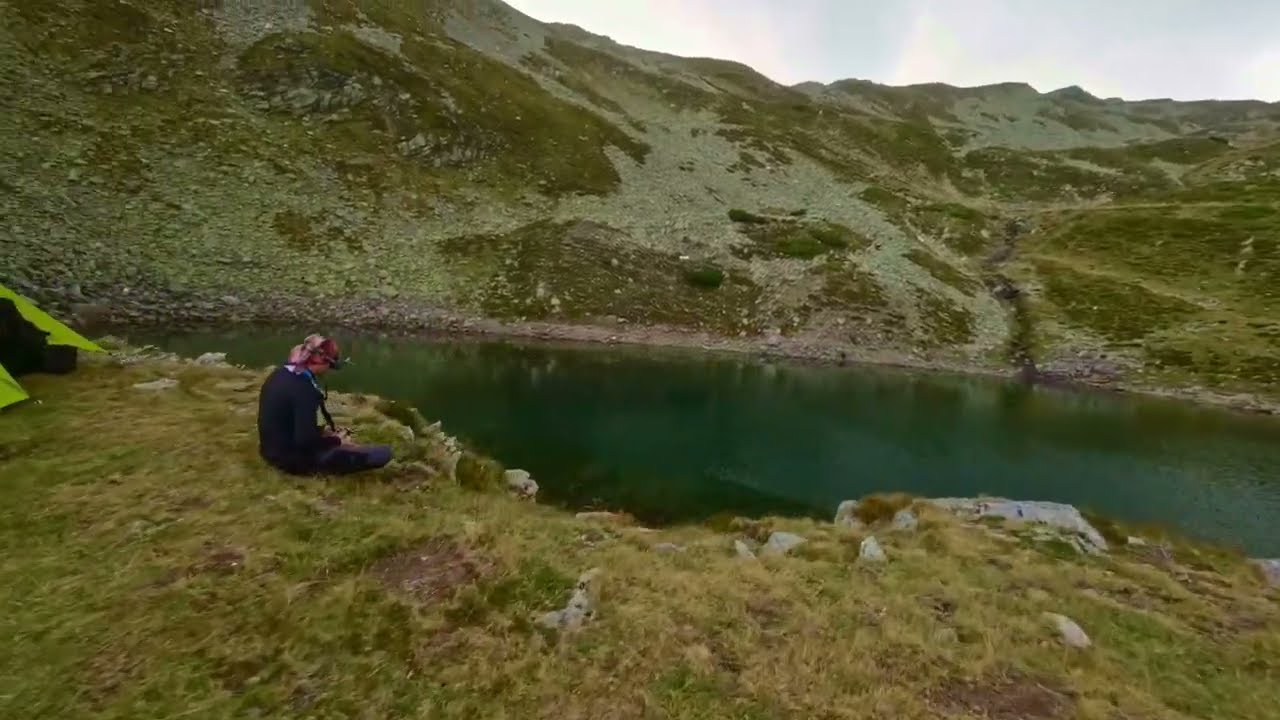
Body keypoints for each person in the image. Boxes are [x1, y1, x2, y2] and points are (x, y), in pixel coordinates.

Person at [256, 334, 393, 476]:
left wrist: (326, 434)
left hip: (270, 451)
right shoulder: (305, 391)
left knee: (346, 445)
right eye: (330, 365)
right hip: (291, 460)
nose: (329, 370)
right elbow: (305, 441)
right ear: (321, 361)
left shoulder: (279, 374)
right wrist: (337, 440)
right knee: (383, 453)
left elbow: (295, 422)